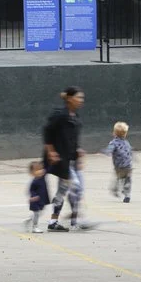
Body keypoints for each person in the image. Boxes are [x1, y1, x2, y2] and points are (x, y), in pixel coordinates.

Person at [41, 86, 85, 225]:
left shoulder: (75, 116)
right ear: (70, 99)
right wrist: (51, 151)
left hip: (71, 159)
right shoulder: (60, 114)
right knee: (76, 186)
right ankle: (74, 217)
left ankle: (54, 221)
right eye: (78, 97)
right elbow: (47, 131)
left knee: (64, 189)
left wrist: (78, 150)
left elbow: (72, 137)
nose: (81, 100)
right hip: (61, 159)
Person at [108, 121, 135, 203]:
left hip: (119, 166)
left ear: (114, 133)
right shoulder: (127, 143)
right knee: (128, 179)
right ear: (125, 134)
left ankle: (115, 189)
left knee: (118, 178)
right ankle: (127, 193)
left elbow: (109, 149)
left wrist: (105, 152)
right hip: (128, 165)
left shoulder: (113, 143)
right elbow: (130, 151)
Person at [24, 157, 50, 232]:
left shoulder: (42, 178)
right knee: (37, 213)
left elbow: (47, 167)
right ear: (32, 173)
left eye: (41, 169)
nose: (40, 171)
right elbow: (31, 190)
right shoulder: (34, 181)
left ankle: (28, 220)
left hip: (41, 199)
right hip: (35, 200)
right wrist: (33, 196)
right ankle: (35, 227)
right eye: (37, 170)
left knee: (39, 213)